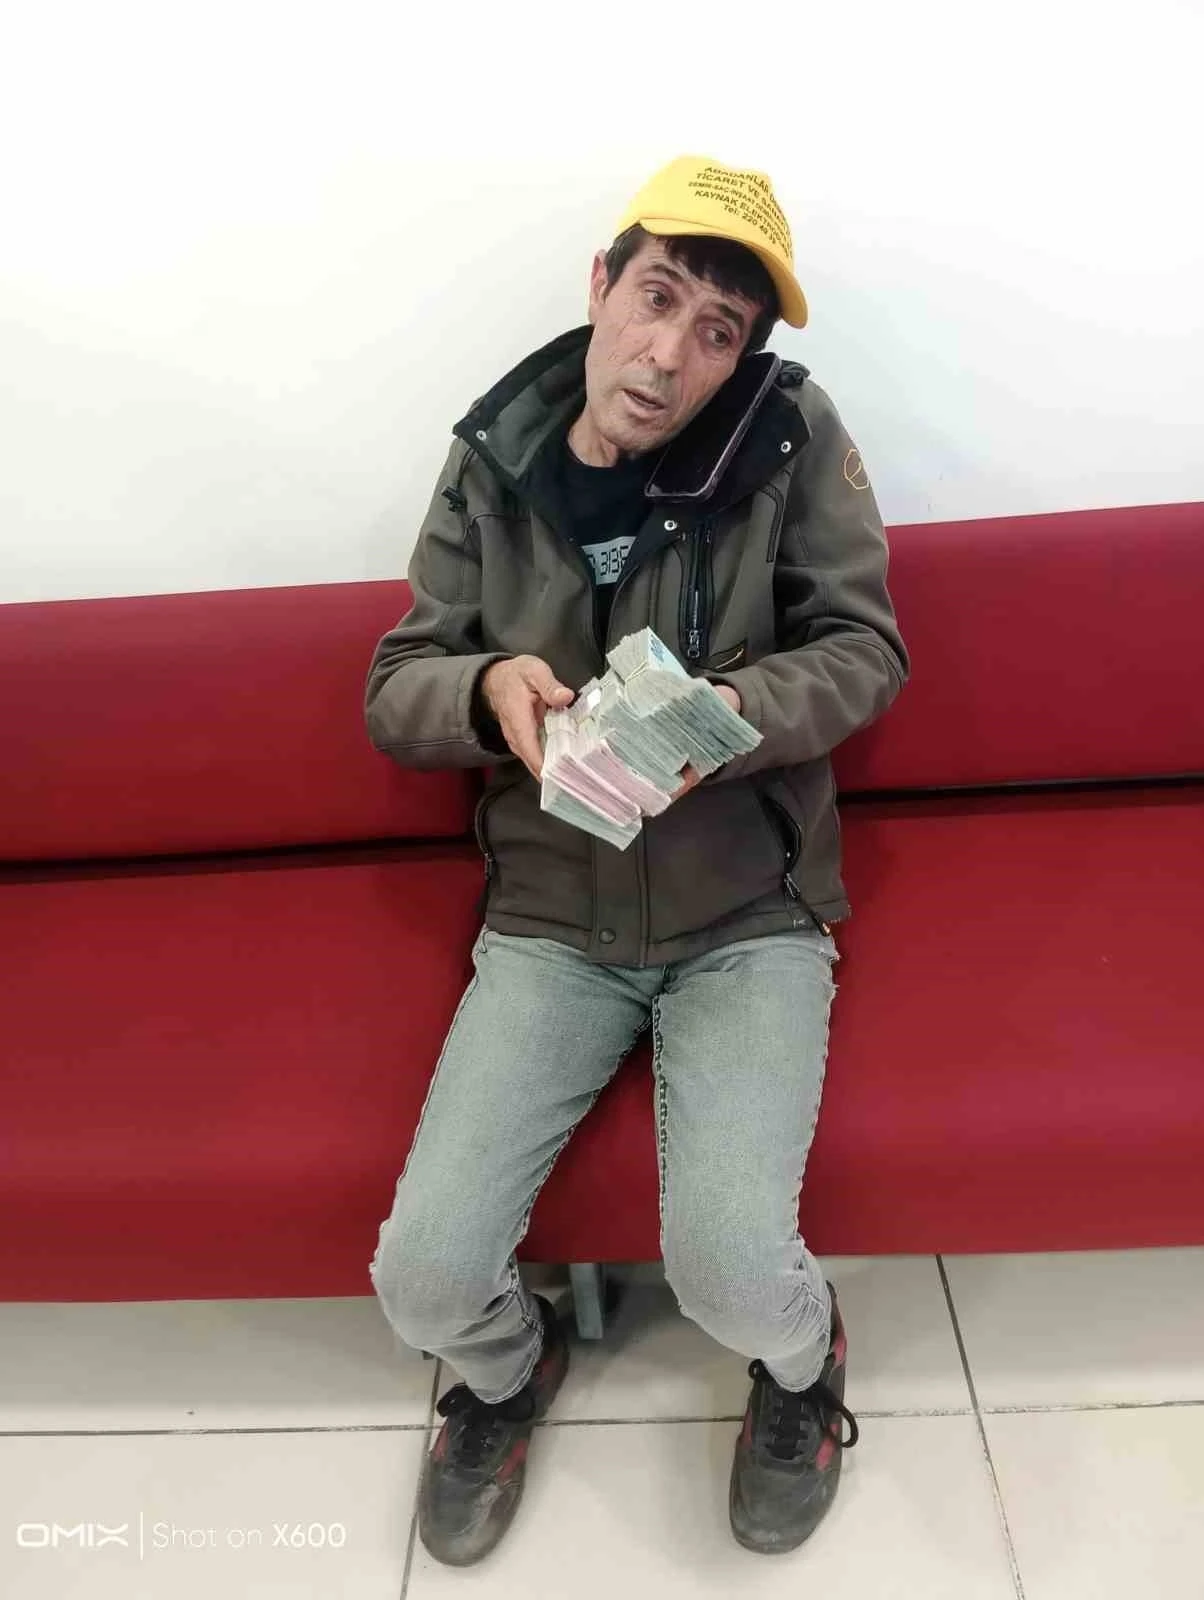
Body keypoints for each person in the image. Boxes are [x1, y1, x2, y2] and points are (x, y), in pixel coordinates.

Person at [364, 154, 909, 1566]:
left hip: (748, 914)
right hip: (554, 921)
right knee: (422, 1284)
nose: (669, 356)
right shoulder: (492, 458)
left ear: (743, 355)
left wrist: (734, 717)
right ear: (602, 285)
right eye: (657, 297)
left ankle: (806, 1368)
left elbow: (866, 651)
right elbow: (396, 686)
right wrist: (485, 688)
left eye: (718, 330)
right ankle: (510, 1371)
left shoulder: (790, 439)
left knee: (731, 1277)